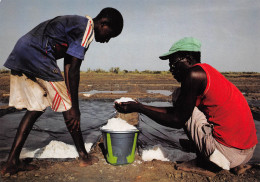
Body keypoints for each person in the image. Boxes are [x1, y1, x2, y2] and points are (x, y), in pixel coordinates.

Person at [1, 7, 123, 175]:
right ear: (103, 24)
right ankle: (83, 156)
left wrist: (70, 99)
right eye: (109, 35)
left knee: (37, 107)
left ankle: (12, 162)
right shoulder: (87, 29)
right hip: (38, 53)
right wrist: (74, 106)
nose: (107, 40)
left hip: (24, 49)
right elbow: (73, 70)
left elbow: (67, 63)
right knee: (67, 106)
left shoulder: (78, 24)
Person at [115, 37, 257, 172]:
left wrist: (139, 108)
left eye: (174, 64)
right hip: (246, 152)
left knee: (178, 95)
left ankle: (204, 163)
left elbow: (177, 119)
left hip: (227, 155)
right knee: (183, 103)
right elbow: (179, 111)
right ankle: (204, 148)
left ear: (188, 59)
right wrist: (140, 106)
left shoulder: (193, 75)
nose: (171, 69)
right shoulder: (206, 72)